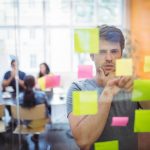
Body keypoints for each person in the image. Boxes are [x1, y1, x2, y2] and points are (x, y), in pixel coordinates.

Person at [67, 25, 150, 150]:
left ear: (121, 53)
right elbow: (84, 141)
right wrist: (107, 93)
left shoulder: (132, 85)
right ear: (92, 55)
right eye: (102, 51)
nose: (109, 58)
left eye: (114, 51)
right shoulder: (80, 89)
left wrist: (139, 88)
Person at [19, 75, 51, 141]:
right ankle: (35, 135)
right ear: (34, 84)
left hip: (26, 124)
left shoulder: (19, 97)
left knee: (28, 117)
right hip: (40, 123)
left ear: (24, 84)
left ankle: (29, 130)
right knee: (39, 116)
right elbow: (48, 106)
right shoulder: (42, 95)